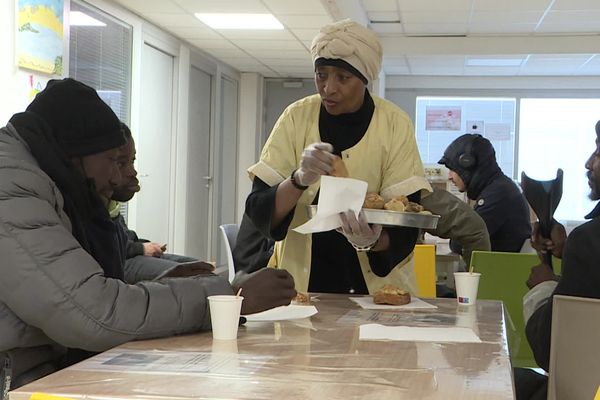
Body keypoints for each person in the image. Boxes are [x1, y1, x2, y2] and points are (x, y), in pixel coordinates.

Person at [0, 78, 296, 394]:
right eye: (113, 161)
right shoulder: (13, 187)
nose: (117, 177)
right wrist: (228, 299)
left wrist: (174, 281)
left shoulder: (42, 177)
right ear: (76, 154)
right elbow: (93, 313)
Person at [244, 19, 432, 295]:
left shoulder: (393, 124)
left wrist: (373, 239)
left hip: (378, 292)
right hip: (299, 288)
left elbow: (406, 219)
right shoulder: (296, 118)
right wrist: (298, 180)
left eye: (343, 78)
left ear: (364, 79)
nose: (328, 88)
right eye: (321, 74)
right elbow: (260, 211)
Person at [515, 120, 600, 400]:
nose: (589, 163)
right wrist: (568, 254)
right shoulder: (587, 242)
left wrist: (544, 287)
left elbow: (552, 351)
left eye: (598, 152)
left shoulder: (591, 240)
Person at [109, 123, 204, 283]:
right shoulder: (87, 203)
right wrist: (141, 249)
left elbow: (122, 236)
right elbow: (110, 247)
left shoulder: (111, 204)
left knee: (200, 266)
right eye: (121, 163)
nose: (133, 171)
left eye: (132, 161)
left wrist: (143, 244)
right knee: (195, 276)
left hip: (126, 253)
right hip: (116, 263)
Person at [438, 133, 532, 253]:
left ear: (468, 164)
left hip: (501, 269)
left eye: (452, 169)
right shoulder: (499, 188)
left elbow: (461, 243)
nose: (449, 176)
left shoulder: (498, 195)